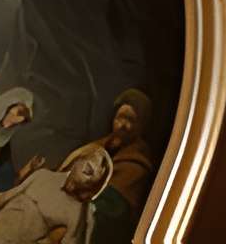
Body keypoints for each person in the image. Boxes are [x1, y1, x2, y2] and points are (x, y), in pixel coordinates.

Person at [0, 147, 106, 244]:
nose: (98, 164)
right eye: (90, 162)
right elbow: (1, 199)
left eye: (99, 169)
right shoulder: (44, 176)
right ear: (77, 161)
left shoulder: (78, 215)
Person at [54, 92, 154, 244]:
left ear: (141, 126)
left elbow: (110, 210)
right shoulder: (99, 147)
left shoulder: (136, 165)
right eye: (120, 118)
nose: (123, 125)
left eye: (131, 120)